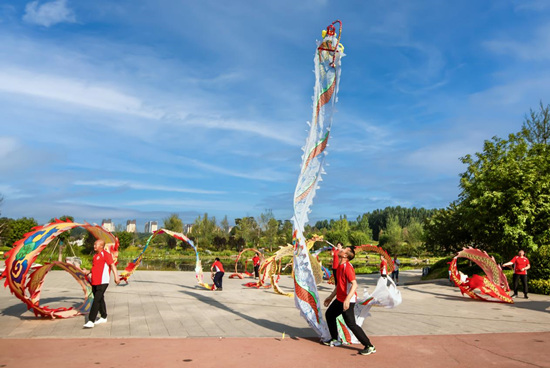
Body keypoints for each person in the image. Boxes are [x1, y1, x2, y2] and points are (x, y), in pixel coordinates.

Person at [323, 246, 376, 356]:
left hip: (347, 300)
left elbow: (354, 285)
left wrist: (347, 300)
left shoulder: (347, 267)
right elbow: (339, 286)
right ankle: (335, 339)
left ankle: (369, 346)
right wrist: (330, 297)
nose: (341, 249)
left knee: (351, 324)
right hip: (340, 299)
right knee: (330, 315)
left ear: (346, 255)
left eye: (344, 249)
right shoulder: (339, 267)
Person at [82, 239, 120, 328]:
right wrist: (88, 271)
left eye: (96, 244)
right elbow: (95, 267)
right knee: (99, 299)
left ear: (101, 246)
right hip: (95, 281)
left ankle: (91, 320)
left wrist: (116, 276)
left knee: (96, 300)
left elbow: (112, 265)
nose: (94, 246)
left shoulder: (106, 254)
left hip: (103, 282)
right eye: (94, 244)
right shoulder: (95, 256)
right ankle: (103, 316)